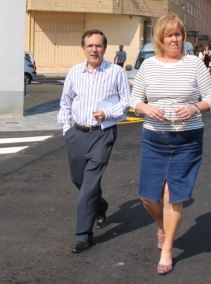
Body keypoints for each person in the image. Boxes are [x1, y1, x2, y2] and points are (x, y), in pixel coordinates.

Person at [129, 13, 211, 275]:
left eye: (178, 34)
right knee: (147, 197)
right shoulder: (148, 66)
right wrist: (145, 108)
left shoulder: (195, 65)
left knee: (172, 197)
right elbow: (134, 99)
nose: (174, 39)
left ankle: (167, 249)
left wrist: (194, 107)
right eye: (169, 35)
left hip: (187, 140)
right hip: (155, 139)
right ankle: (161, 226)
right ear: (160, 38)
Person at [58, 29, 130, 254]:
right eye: (90, 45)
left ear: (105, 48)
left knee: (87, 188)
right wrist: (67, 129)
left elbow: (125, 103)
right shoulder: (74, 72)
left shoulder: (116, 72)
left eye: (98, 45)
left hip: (102, 134)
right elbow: (65, 102)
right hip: (77, 134)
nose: (94, 49)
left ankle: (83, 236)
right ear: (83, 48)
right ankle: (100, 206)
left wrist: (107, 115)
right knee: (78, 180)